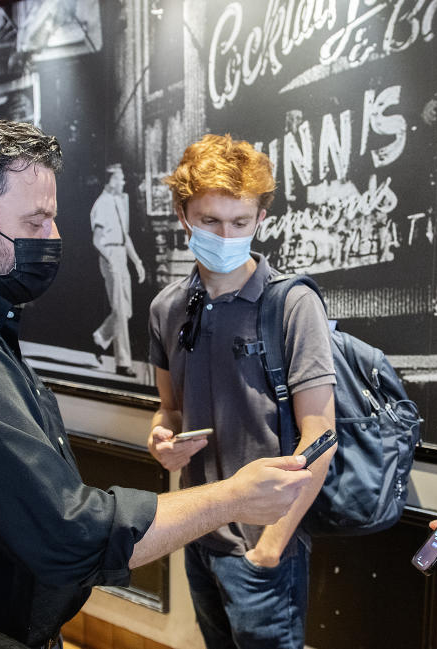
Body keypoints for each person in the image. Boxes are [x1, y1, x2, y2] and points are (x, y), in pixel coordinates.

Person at [0, 116, 315, 649]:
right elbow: (69, 533)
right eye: (36, 222)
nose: (54, 238)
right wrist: (230, 498)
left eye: (240, 221)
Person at [147, 133, 336, 649]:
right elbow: (169, 410)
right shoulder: (167, 308)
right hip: (195, 532)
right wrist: (161, 440)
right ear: (183, 215)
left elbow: (321, 434)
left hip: (264, 546)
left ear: (260, 221)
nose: (225, 235)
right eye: (210, 221)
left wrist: (271, 546)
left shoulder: (292, 305)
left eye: (240, 223)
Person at [90, 163, 146, 377]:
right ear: (111, 180)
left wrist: (137, 261)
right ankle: (123, 363)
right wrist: (110, 260)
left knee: (127, 310)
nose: (123, 182)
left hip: (121, 254)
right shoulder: (101, 205)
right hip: (110, 255)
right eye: (120, 178)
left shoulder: (120, 203)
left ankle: (100, 338)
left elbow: (126, 237)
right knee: (121, 311)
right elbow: (97, 241)